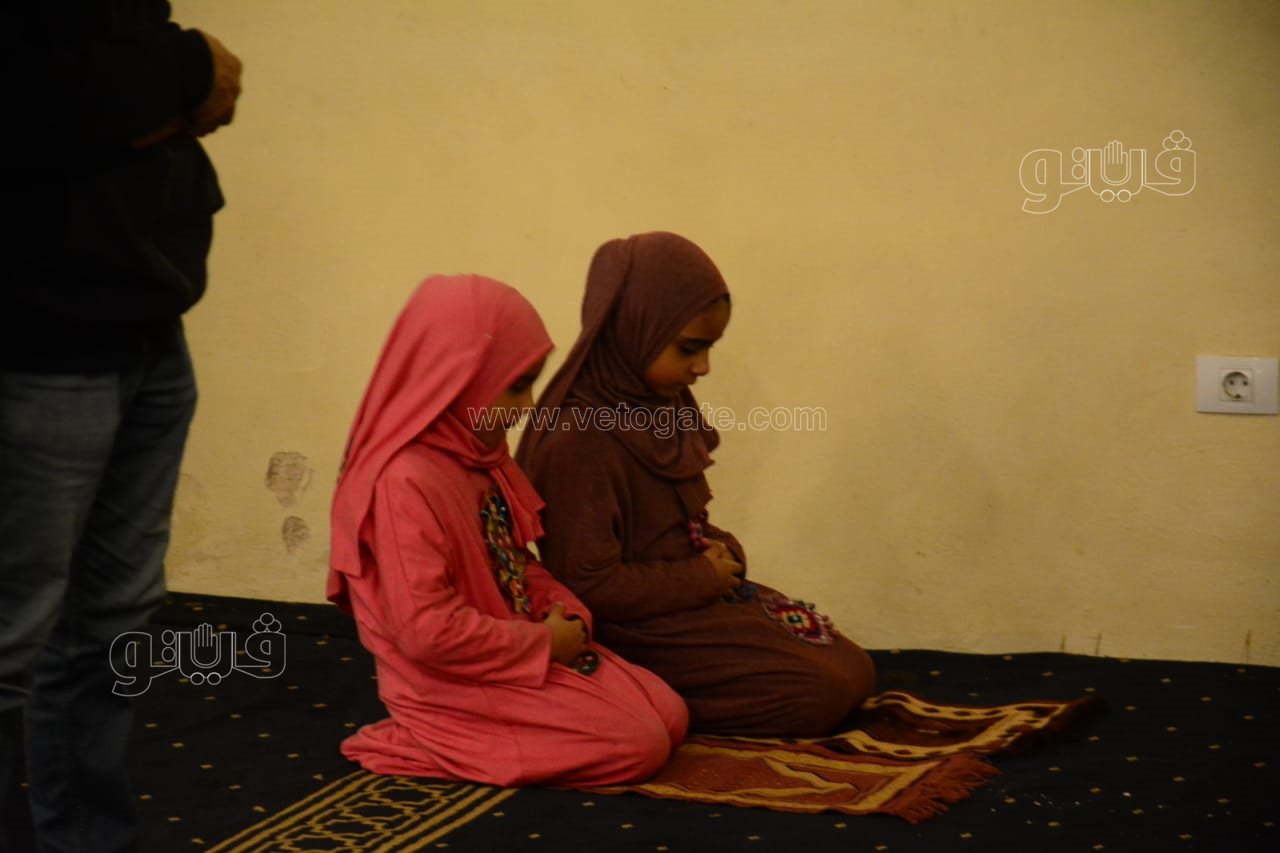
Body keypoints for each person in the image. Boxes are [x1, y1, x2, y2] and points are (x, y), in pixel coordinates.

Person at [0, 4, 242, 851]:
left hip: (145, 320)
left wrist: (156, 95)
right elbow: (38, 103)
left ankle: (89, 839)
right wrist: (183, 73)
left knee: (113, 621)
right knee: (11, 638)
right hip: (34, 337)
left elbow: (155, 83)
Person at [327, 274, 687, 787]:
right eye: (516, 385)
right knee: (639, 745)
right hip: (452, 685)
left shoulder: (479, 457)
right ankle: (426, 741)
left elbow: (513, 562)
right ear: (456, 377)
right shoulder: (404, 481)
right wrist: (542, 644)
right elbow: (427, 632)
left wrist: (562, 609)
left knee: (670, 713)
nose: (526, 406)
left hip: (508, 651)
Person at [517, 231, 877, 738]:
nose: (703, 367)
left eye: (709, 348)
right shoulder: (578, 441)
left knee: (852, 667)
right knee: (819, 692)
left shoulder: (658, 403)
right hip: (634, 629)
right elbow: (587, 585)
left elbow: (683, 524)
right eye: (689, 348)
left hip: (683, 600)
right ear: (632, 330)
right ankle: (638, 694)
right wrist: (701, 578)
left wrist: (720, 550)